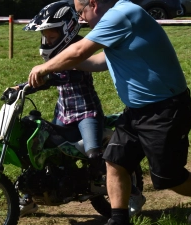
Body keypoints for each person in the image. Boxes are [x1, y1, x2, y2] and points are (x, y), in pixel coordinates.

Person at [27, 0, 191, 225]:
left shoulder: (120, 15)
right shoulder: (120, 18)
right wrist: (64, 64)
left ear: (93, 3)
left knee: (167, 177)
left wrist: (44, 67)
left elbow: (81, 50)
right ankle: (118, 220)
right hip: (136, 111)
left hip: (165, 109)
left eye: (81, 12)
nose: (81, 20)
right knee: (114, 161)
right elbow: (99, 60)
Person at [16, 1, 145, 218]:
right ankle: (29, 198)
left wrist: (43, 79)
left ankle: (133, 193)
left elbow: (67, 74)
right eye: (45, 36)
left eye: (52, 35)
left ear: (67, 30)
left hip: (87, 112)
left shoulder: (78, 48)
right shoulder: (56, 53)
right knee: (44, 153)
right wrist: (21, 88)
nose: (47, 40)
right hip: (63, 112)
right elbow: (49, 77)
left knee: (94, 154)